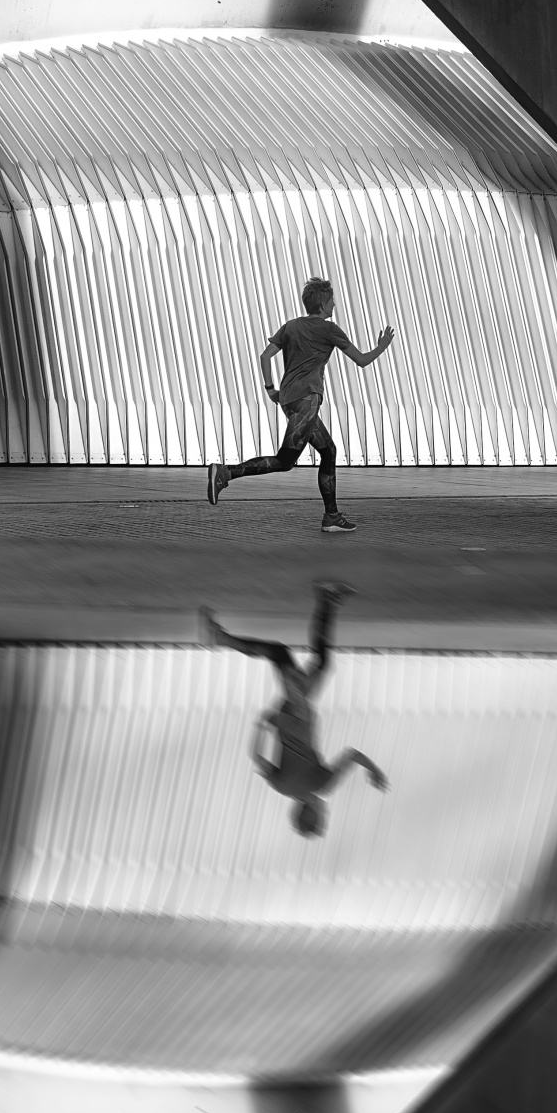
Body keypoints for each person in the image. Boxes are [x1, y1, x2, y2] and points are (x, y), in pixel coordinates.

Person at [207, 276, 394, 534]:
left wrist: (271, 390)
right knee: (285, 460)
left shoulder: (290, 326)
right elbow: (361, 361)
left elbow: (265, 357)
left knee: (328, 450)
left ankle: (331, 516)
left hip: (288, 399)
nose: (334, 305)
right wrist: (382, 347)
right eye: (332, 301)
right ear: (322, 305)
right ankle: (226, 473)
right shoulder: (330, 330)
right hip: (307, 399)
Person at [200, 583, 389, 837]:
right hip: (287, 714)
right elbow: (257, 757)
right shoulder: (283, 788)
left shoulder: (321, 785)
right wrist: (263, 724)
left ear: (312, 813)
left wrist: (375, 771)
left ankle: (219, 638)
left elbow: (352, 755)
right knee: (316, 663)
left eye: (322, 817)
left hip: (299, 712)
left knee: (280, 654)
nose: (326, 812)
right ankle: (327, 600)